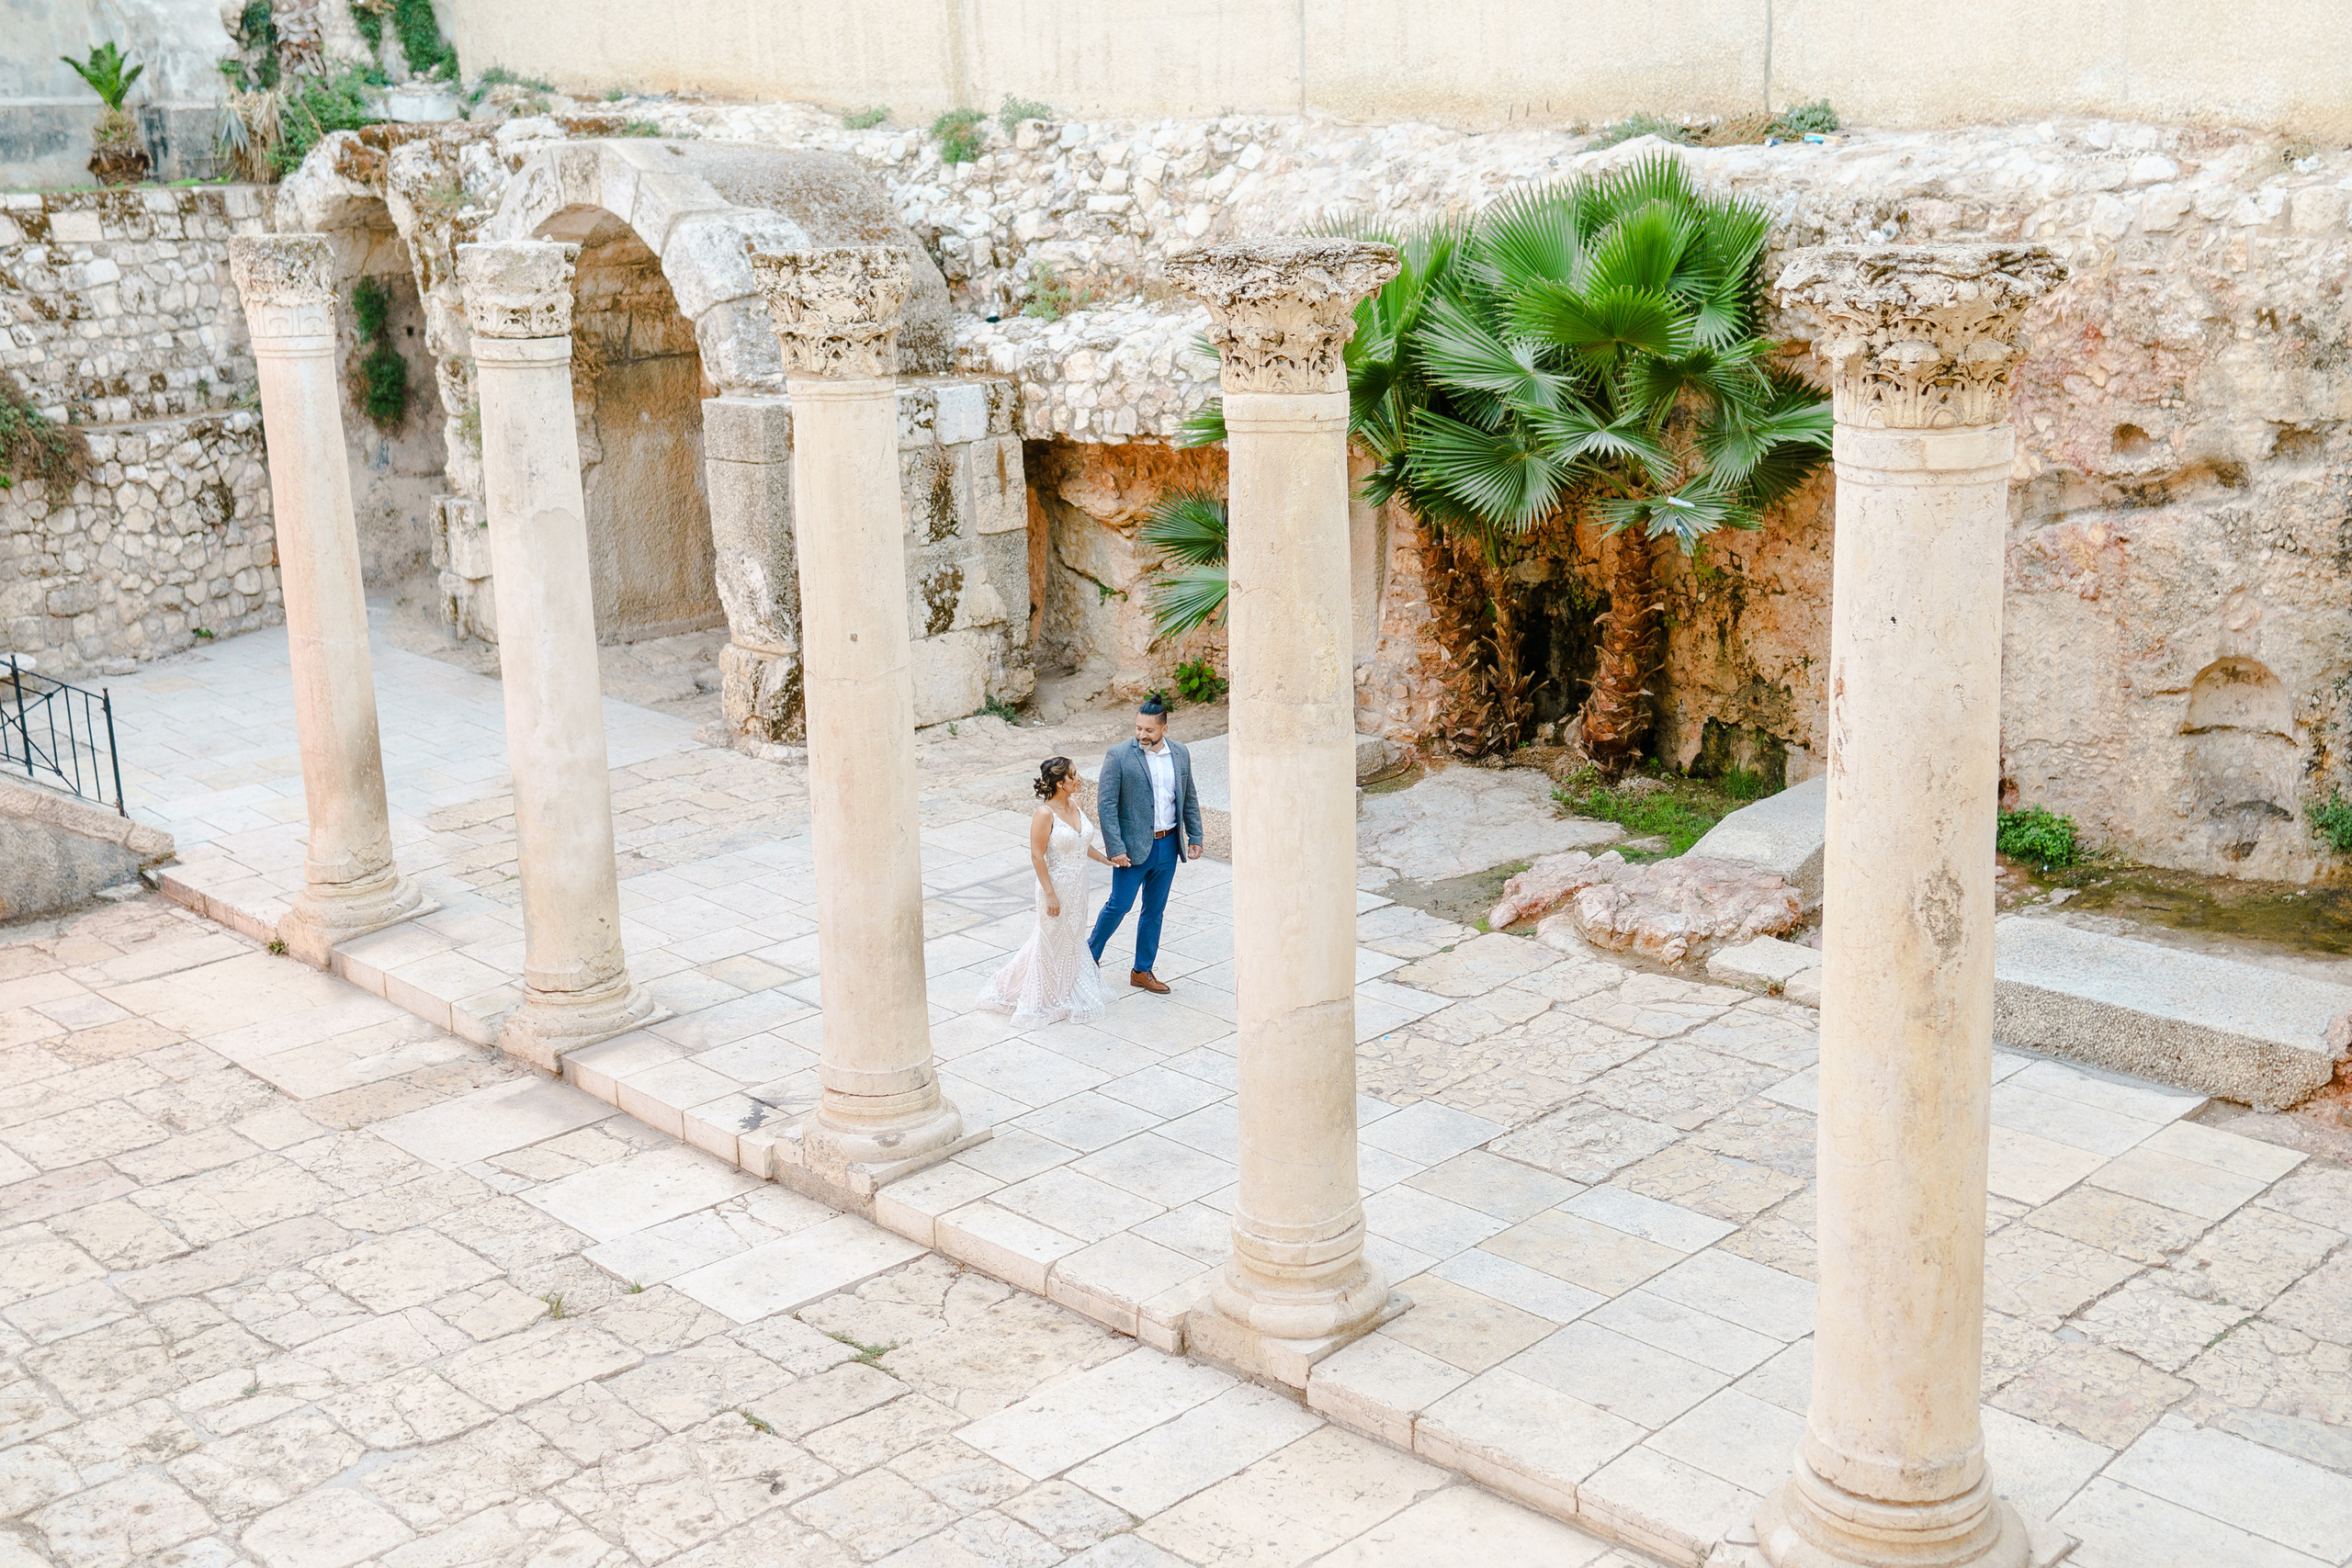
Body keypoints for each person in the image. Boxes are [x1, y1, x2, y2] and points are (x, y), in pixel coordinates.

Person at [978, 756, 1113, 1028]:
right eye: (1073, 775)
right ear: (1060, 783)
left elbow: (1080, 845)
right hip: (1056, 887)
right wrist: (1050, 894)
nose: (1079, 779)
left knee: (1074, 937)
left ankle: (1066, 989)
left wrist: (1106, 860)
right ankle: (1039, 994)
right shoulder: (1044, 814)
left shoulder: (1077, 806)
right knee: (1049, 941)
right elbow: (1038, 856)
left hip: (1079, 887)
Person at [1089, 698, 1204, 994]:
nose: (1142, 735)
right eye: (1138, 728)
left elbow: (1188, 797)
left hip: (1167, 846)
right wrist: (1115, 847)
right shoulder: (1118, 756)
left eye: (1149, 730)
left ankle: (1142, 970)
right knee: (1120, 905)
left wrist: (1196, 836)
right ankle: (1088, 956)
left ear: (1164, 728)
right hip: (1132, 849)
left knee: (1155, 910)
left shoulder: (1180, 753)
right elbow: (1106, 805)